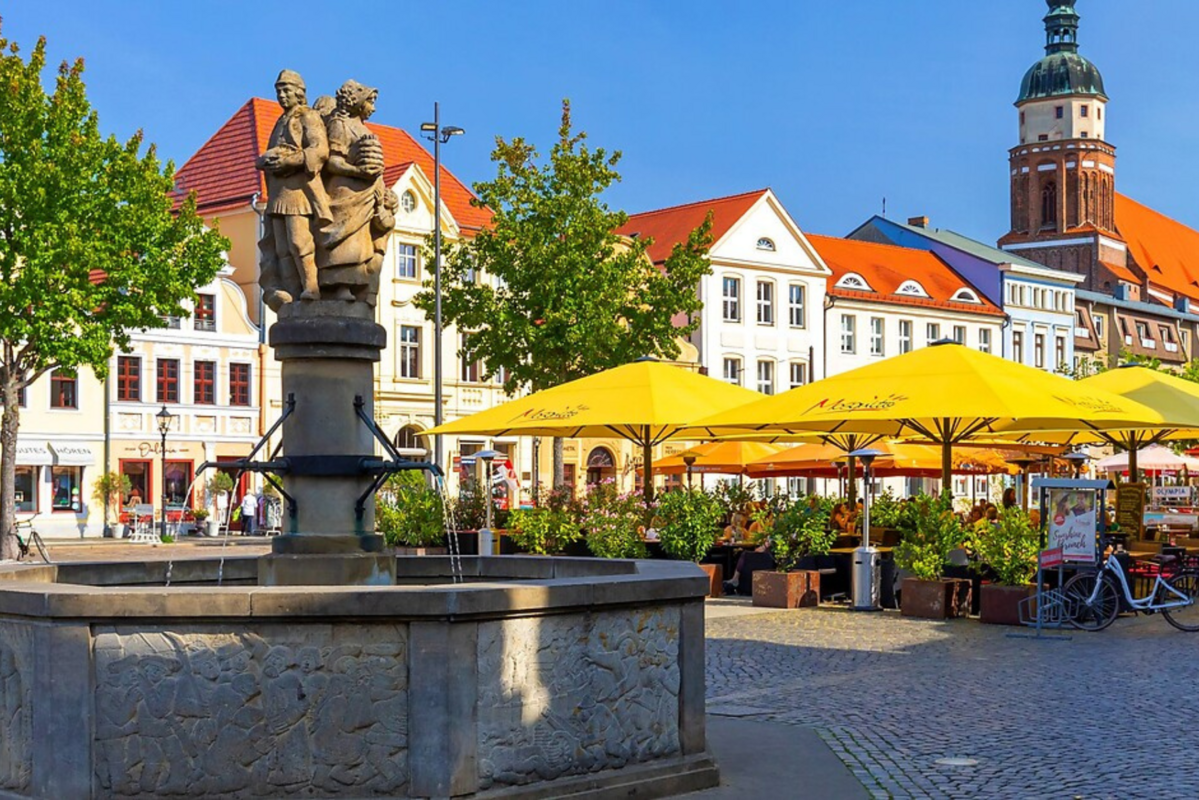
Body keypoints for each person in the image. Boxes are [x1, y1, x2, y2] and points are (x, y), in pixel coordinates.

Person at [256, 70, 332, 310]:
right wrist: (265, 161)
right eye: (278, 90)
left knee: (299, 241)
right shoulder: (280, 121)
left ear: (299, 92)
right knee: (282, 248)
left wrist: (289, 161)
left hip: (299, 190)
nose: (281, 95)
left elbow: (319, 149)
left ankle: (312, 287)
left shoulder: (308, 116)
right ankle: (293, 294)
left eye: (286, 90)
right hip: (278, 190)